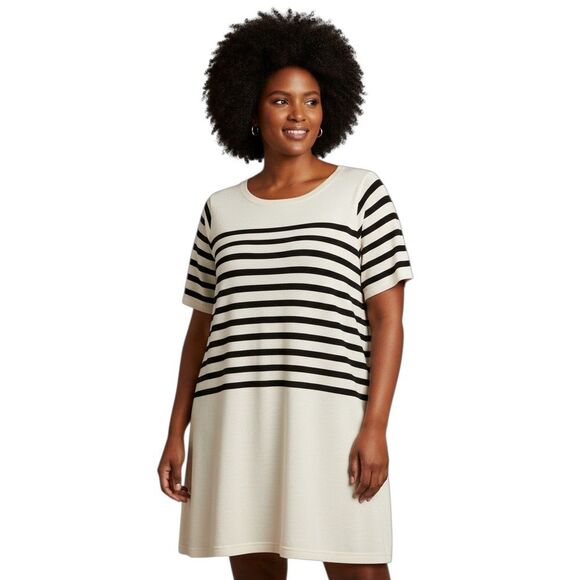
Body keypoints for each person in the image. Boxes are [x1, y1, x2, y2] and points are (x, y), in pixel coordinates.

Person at [157, 8, 414, 580]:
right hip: (234, 414)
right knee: (254, 567)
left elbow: (388, 321)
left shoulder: (361, 192)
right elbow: (202, 328)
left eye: (311, 101)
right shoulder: (220, 208)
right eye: (280, 100)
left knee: (359, 566)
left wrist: (375, 426)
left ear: (329, 109)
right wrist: (176, 432)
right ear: (251, 108)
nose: (298, 114)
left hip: (332, 414)